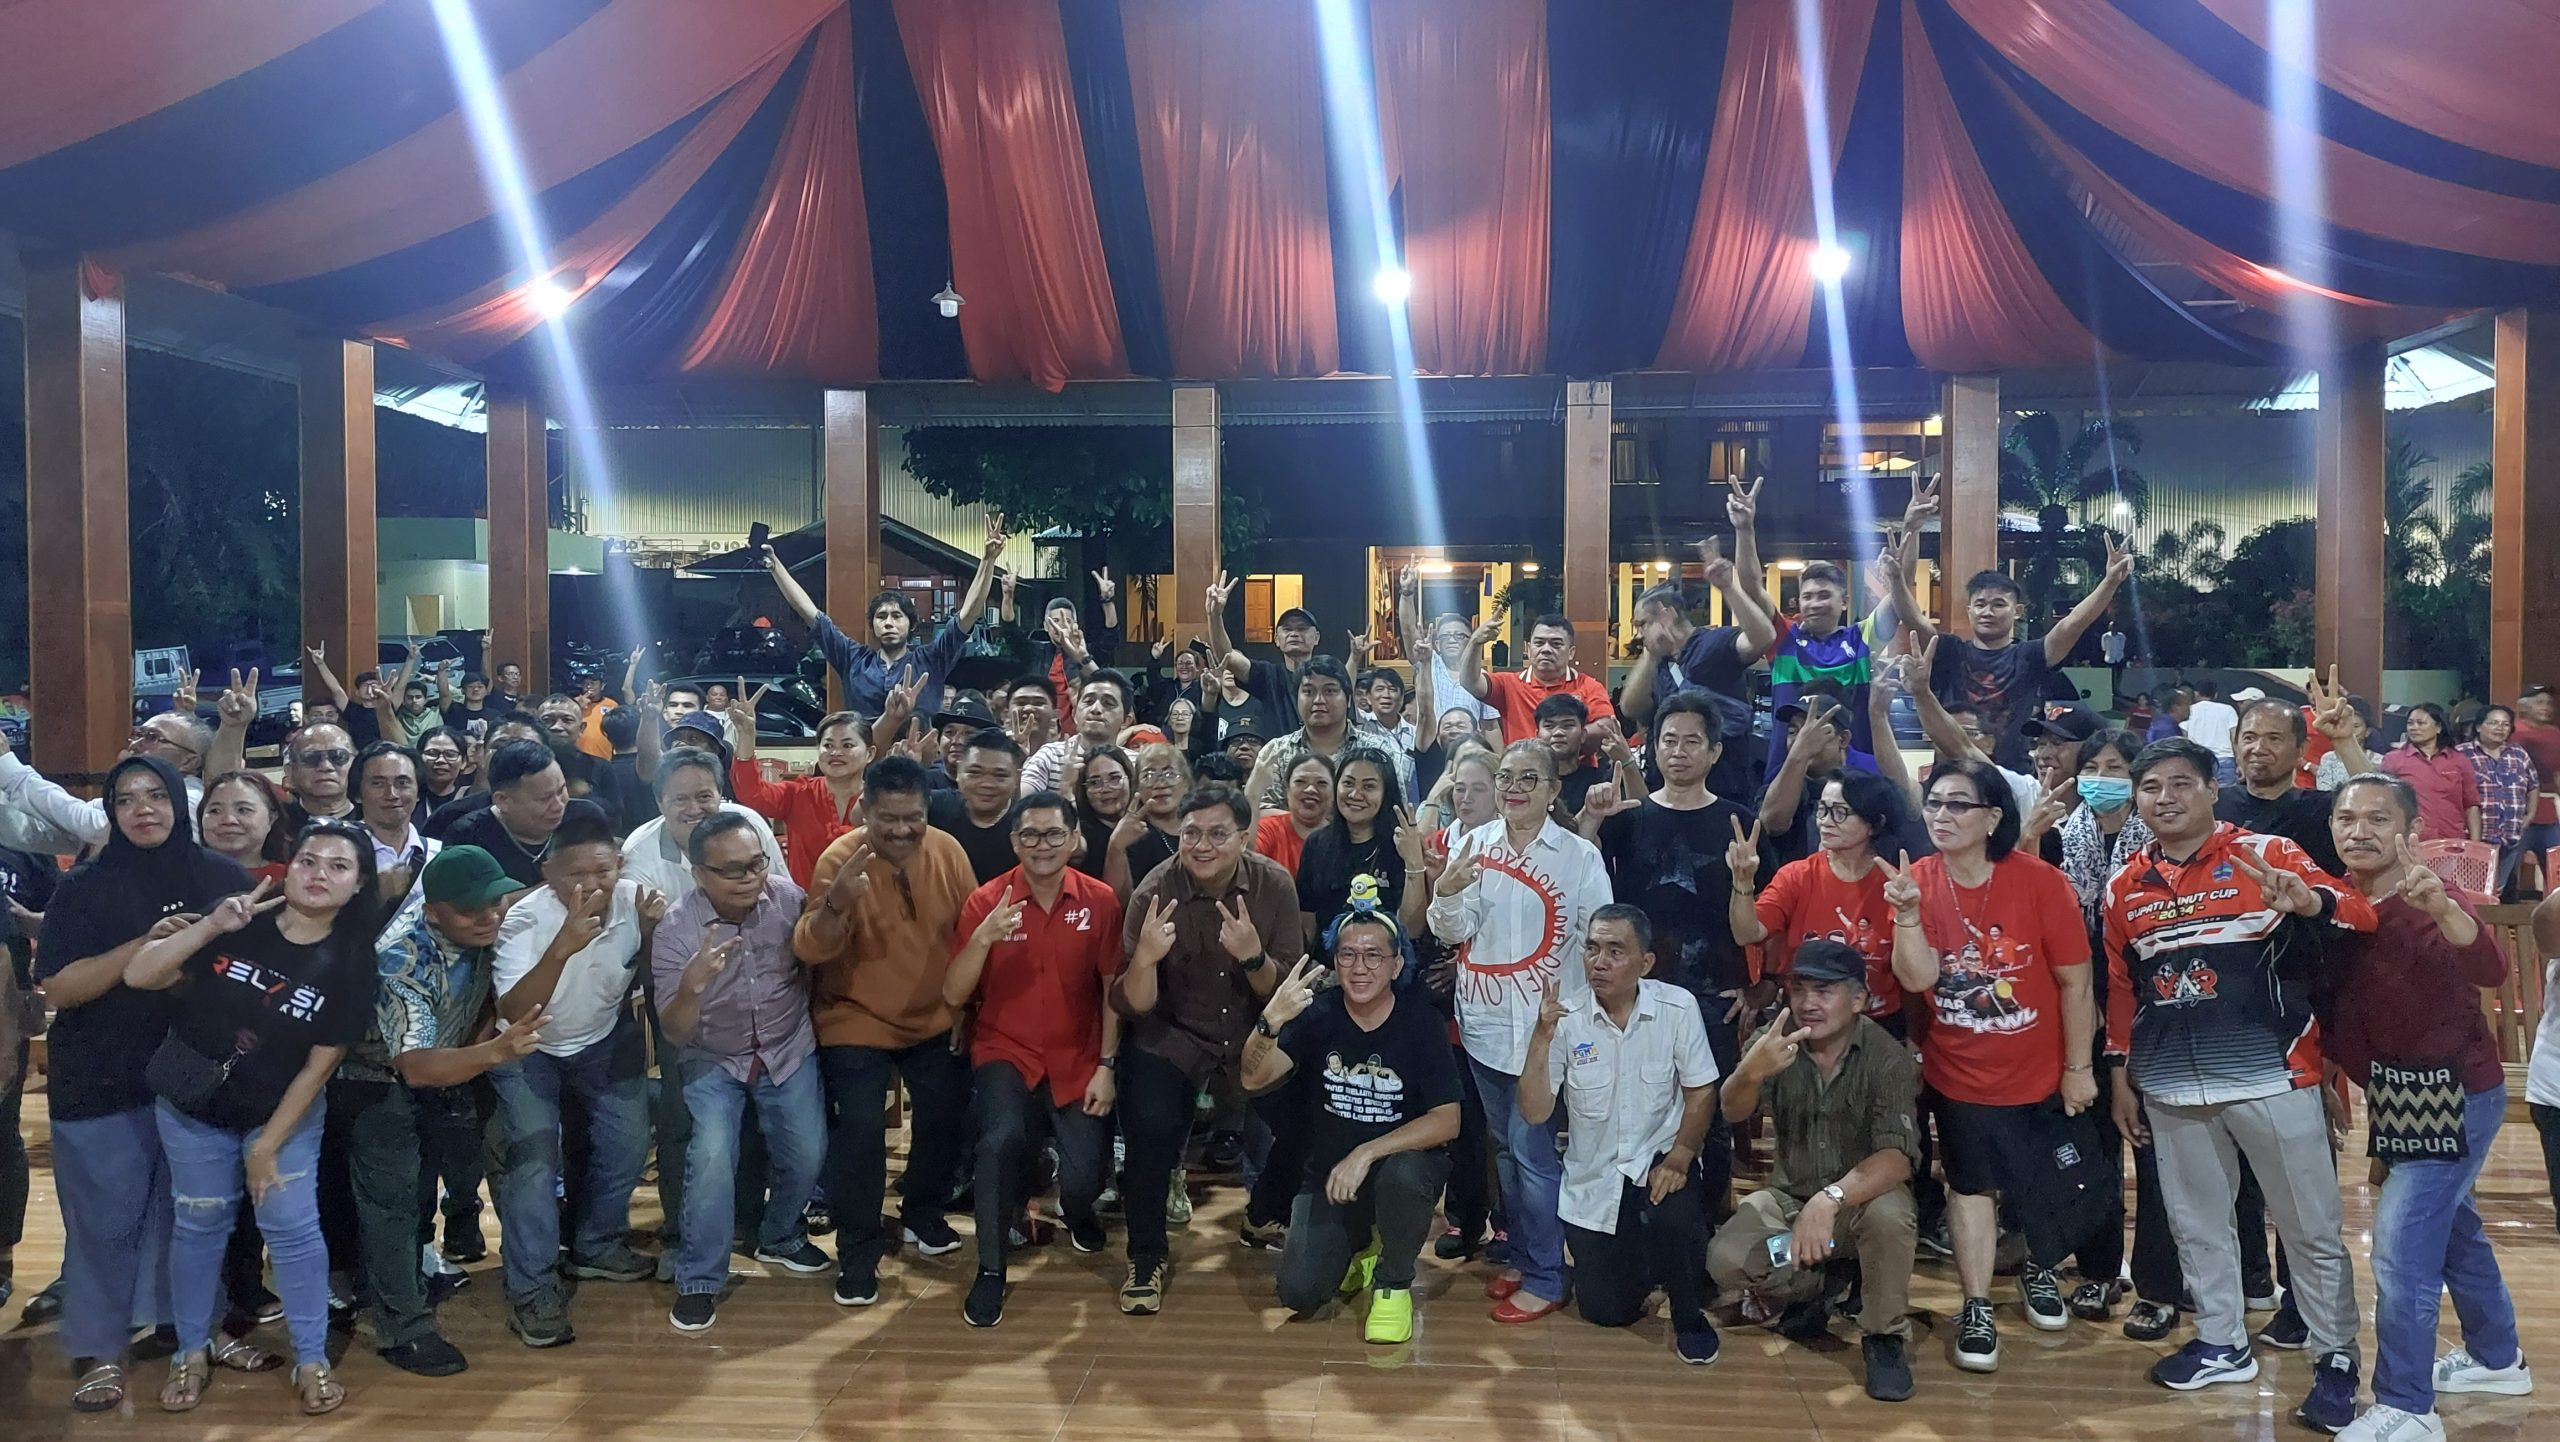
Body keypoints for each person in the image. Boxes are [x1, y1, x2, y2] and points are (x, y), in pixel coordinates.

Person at [2105, 738, 2373, 1429]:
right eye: (2151, 787)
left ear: (2211, 790)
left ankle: (2336, 1357)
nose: (2165, 798)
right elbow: (2121, 986)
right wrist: (2120, 1071)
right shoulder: (2124, 885)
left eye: (2181, 784)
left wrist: (2309, 901)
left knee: (2310, 1228)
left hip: (2273, 1076)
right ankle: (2222, 1341)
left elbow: (2359, 911)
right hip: (2170, 1083)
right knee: (2197, 1225)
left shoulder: (2267, 853)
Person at [125, 820, 386, 1417]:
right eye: (308, 860)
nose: (318, 874)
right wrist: (211, 925)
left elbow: (320, 1066)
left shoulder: (353, 961)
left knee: (292, 1229)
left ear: (357, 884)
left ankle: (311, 1358)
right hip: (195, 1107)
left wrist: (267, 1146)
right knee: (199, 1226)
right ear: (288, 867)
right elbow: (140, 975)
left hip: (282, 1114)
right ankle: (191, 1351)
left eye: (338, 866)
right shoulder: (239, 920)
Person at [32, 756, 250, 1413]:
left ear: (179, 802)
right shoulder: (85, 886)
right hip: (100, 1076)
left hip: (196, 1078)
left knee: (195, 1216)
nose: (143, 809)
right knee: (105, 1222)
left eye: (156, 794)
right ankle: (100, 1350)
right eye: (126, 799)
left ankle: (195, 1331)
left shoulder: (221, 877)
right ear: (111, 812)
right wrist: (144, 946)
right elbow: (61, 987)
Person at [2323, 775, 2530, 1442]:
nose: (2359, 831)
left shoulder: (2430, 894)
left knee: (2401, 1248)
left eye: (2377, 819)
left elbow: (2491, 969)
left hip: (2458, 1092)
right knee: (2454, 1229)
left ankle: (2407, 1406)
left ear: (2410, 831)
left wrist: (2443, 907)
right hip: (2397, 1096)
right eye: (2346, 818)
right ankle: (2497, 1359)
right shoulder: (2335, 900)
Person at [1888, 757, 2096, 1370]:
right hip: (1958, 1071)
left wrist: (2078, 1067)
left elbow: (2076, 982)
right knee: (1969, 1185)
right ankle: (1976, 1303)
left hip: (2039, 1067)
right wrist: (1906, 917)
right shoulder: (1917, 881)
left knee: (2039, 1183)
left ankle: (2038, 1268)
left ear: (1993, 818)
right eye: (1934, 802)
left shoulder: (2040, 882)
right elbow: (1918, 979)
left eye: (1958, 804)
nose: (1941, 815)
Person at [335, 846, 540, 1377]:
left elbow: (478, 1007)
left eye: (494, 902)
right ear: (432, 912)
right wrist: (495, 1050)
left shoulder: (483, 937)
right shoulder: (401, 959)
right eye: (471, 909)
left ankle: (407, 1285)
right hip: (375, 1085)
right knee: (392, 1207)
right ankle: (403, 1330)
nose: (489, 915)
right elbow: (417, 1066)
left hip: (437, 1077)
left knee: (421, 1193)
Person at [1428, 739, 1614, 1323]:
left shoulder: (1579, 857)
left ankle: (1547, 1275)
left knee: (1532, 1153)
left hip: (1547, 1033)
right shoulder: (1472, 843)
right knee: (1507, 1150)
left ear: (1554, 790)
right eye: (1506, 776)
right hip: (1484, 1026)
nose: (1513, 788)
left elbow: (1599, 941)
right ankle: (1527, 1251)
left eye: (1528, 778)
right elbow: (1450, 930)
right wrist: (1446, 891)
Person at [1110, 782, 1303, 1316]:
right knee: (1148, 1130)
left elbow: (1284, 989)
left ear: (1243, 836)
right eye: (1190, 833)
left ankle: (1262, 1215)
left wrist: (1253, 957)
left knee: (1302, 1115)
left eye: (1218, 834)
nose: (1202, 845)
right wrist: (1146, 959)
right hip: (1174, 1033)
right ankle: (1145, 1256)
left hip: (1252, 1031)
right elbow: (1133, 1003)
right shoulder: (1154, 890)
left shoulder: (1273, 885)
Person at [792, 756, 978, 1306]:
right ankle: (857, 1250)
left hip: (934, 1013)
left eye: (913, 817)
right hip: (854, 1017)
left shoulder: (948, 850)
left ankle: (922, 1210)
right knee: (860, 1135)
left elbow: (971, 933)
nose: (901, 830)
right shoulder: (839, 860)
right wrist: (837, 903)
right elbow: (811, 948)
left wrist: (964, 1008)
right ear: (864, 811)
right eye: (888, 818)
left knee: (946, 1115)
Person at [1709, 940, 1920, 1403]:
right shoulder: (1773, 1041)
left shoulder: (1887, 1058)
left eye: (1824, 991)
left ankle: (1883, 1336)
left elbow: (1897, 1158)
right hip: (1790, 1203)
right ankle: (1821, 1283)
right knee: (1729, 1258)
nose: (1808, 1003)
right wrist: (1749, 1073)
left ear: (1858, 999)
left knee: (1890, 1216)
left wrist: (1830, 1200)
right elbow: (1732, 1110)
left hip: (1860, 1203)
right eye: (1799, 989)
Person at [943, 792, 1124, 1328]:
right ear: (1014, 841)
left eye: (1053, 835)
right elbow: (953, 994)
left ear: (1074, 840)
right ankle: (991, 1269)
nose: (1042, 845)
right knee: (999, 1142)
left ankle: (1077, 1211)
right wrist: (982, 939)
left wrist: (1108, 1065)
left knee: (1086, 1177)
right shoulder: (986, 901)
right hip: (1006, 1048)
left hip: (1079, 1054)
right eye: (1030, 835)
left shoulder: (1100, 901)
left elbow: (1112, 989)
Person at [488, 811, 668, 1348]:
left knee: (627, 1142)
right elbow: (512, 1010)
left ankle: (596, 1245)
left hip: (602, 1040)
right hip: (527, 1049)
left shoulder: (636, 901)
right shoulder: (525, 920)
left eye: (604, 870)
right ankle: (532, 1288)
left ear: (619, 865)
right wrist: (562, 946)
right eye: (576, 874)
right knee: (533, 1163)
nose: (593, 884)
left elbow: (650, 973)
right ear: (549, 874)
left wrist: (651, 933)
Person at [1245, 909, 1460, 1346]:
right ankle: (1363, 1243)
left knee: (1403, 1174)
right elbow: (1252, 1078)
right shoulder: (1319, 1014)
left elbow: (1447, 1120)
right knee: (1299, 1292)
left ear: (1396, 965)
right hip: (1330, 1175)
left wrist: (1366, 1153)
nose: (1360, 967)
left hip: (1399, 1169)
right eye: (1348, 955)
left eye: (1373, 955)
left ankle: (1393, 1283)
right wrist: (1270, 1022)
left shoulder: (1420, 1022)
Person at [1519, 905, 1720, 1364]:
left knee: (1674, 1213)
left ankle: (1689, 1316)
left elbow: (1701, 1091)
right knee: (1606, 1311)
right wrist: (1540, 1039)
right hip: (1596, 1180)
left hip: (1659, 1159)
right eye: (1592, 948)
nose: (1599, 962)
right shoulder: (1563, 1017)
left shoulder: (1677, 1007)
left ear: (1645, 963)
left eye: (1615, 951)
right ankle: (1646, 1264)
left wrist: (1680, 1156)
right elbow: (1534, 1112)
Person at [653, 812, 828, 1332]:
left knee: (809, 1151)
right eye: (732, 870)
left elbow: (814, 969)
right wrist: (692, 987)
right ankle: (699, 1279)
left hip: (786, 1046)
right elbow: (675, 1032)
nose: (750, 878)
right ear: (698, 872)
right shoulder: (677, 928)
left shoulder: (789, 900)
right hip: (713, 1055)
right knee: (710, 1158)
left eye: (756, 863)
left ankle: (779, 1235)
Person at [1586, 691, 1760, 1070]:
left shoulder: (1741, 823)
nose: (1679, 751)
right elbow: (1581, 876)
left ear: (1715, 751)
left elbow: (1765, 919)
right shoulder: (1627, 814)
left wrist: (1763, 986)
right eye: (1669, 740)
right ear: (1654, 747)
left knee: (1711, 1100)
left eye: (1692, 741)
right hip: (1634, 991)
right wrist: (1592, 818)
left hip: (1716, 997)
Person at [1725, 475, 1916, 772]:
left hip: (1852, 774)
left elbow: (1899, 596)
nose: (1814, 603)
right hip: (1788, 772)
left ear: (1844, 601)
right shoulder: (1784, 638)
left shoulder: (1861, 638)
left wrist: (1913, 528)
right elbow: (1751, 587)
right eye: (1808, 596)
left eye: (1824, 595)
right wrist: (1744, 528)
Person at [1889, 537, 2132, 770]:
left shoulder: (2030, 656)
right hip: (1951, 771)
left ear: (2017, 611)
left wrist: (2110, 581)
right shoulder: (1950, 652)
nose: (1987, 612)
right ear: (1969, 610)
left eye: (1998, 604)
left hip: (2013, 776)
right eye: (1980, 604)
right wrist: (1896, 579)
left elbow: (2074, 623)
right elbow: (1912, 618)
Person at [762, 514, 1003, 719]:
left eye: (897, 616)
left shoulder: (932, 659)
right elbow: (807, 611)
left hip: (919, 756)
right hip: (867, 755)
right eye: (881, 617)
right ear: (873, 625)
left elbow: (969, 613)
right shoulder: (853, 659)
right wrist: (776, 568)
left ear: (911, 625)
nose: (888, 623)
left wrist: (988, 560)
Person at [1731, 770, 1914, 1032]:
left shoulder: (1896, 885)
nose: (1826, 821)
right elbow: (1747, 933)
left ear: (1875, 823)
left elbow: (1911, 976)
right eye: (1822, 810)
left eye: (1840, 812)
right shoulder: (1797, 876)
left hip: (1878, 1024)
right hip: (1806, 1020)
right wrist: (1742, 882)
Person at [1615, 540, 1777, 797]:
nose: (1639, 633)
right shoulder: (1658, 664)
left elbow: (1763, 638)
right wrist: (1651, 653)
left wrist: (1728, 588)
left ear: (1665, 614)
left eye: (1642, 624)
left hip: (1724, 787)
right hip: (1667, 790)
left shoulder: (1711, 643)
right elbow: (1630, 708)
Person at [0, 706, 211, 855]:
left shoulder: (192, 800)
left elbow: (93, 826)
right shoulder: (113, 801)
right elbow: (33, 835)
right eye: (137, 734)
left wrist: (11, 769)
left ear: (188, 762)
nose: (136, 744)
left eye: (152, 737)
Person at [2222, 683, 2369, 878]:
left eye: (2274, 739)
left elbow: (2377, 802)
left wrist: (2345, 741)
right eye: (2249, 738)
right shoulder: (2212, 805)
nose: (2258, 748)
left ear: (2302, 749)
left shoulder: (2324, 808)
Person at [437, 739, 614, 891]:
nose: (559, 805)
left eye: (561, 791)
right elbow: (471, 908)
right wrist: (556, 886)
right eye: (544, 798)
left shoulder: (585, 818)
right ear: (503, 800)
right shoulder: (467, 836)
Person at [730, 698, 870, 889]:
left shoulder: (879, 801)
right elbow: (751, 793)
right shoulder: (798, 793)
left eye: (847, 745)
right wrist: (747, 735)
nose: (836, 752)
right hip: (806, 904)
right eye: (828, 745)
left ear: (870, 753)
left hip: (868, 903)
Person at [1249, 656, 1417, 809]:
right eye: (1309, 692)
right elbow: (1259, 813)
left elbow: (1396, 812)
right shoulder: (1276, 752)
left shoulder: (1379, 750)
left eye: (1329, 691)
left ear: (1349, 700)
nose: (1318, 700)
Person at [1206, 570, 1320, 734]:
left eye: (1302, 628)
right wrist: (1214, 616)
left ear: (1316, 638)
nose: (1294, 634)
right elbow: (1228, 656)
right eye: (1287, 629)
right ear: (1276, 639)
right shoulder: (1268, 675)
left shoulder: (1326, 675)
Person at [930, 729, 1025, 885]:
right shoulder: (935, 807)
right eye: (975, 773)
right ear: (959, 772)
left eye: (1000, 776)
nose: (986, 784)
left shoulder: (1027, 824)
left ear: (1017, 778)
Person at [2460, 704, 2537, 896]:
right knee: (2473, 891)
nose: (2499, 728)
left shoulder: (2518, 753)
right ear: (2479, 726)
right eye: (2493, 723)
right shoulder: (2462, 753)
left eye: (2505, 724)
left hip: (2511, 835)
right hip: (2476, 836)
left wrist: (2530, 814)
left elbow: (2533, 784)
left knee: (2497, 892)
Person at [2380, 703, 2482, 844]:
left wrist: (2475, 844)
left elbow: (2471, 805)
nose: (2414, 727)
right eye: (2410, 723)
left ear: (2438, 727)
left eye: (2421, 723)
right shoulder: (2393, 760)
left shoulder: (2459, 760)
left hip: (2452, 841)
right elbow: (2383, 802)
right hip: (2410, 842)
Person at [352, 742, 438, 910]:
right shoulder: (335, 855)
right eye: (378, 783)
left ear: (418, 792)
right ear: (357, 794)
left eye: (402, 783)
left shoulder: (437, 855)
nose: (391, 794)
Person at [1021, 671, 1132, 797]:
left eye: (1108, 703)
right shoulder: (1050, 756)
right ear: (1074, 714)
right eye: (1088, 701)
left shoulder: (1135, 763)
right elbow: (1019, 802)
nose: (1095, 709)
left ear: (1126, 720)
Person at [1105, 741, 1189, 900]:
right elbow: (1118, 902)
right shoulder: (1130, 835)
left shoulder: (1201, 827)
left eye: (1170, 774)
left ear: (1186, 783)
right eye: (1148, 776)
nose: (1160, 784)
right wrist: (1116, 847)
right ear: (1137, 787)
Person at [1254, 751, 1336, 877]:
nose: (1310, 789)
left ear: (1334, 792)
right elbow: (1244, 862)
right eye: (1300, 781)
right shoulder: (1268, 828)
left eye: (1321, 783)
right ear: (1287, 790)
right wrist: (1252, 793)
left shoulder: (1343, 837)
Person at [198, 770, 292, 878]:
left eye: (243, 810)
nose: (228, 820)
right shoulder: (184, 874)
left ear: (271, 818)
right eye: (215, 811)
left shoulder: (291, 878)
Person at [1070, 744, 1135, 879]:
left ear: (1129, 778)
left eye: (1114, 778)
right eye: (1094, 782)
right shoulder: (1081, 833)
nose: (1105, 789)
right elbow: (1075, 849)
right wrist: (1066, 790)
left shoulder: (1147, 826)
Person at [2183, 680, 2241, 785]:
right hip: (2225, 760)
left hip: (2199, 761)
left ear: (2195, 694)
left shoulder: (2188, 711)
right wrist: (2240, 762)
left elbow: (2184, 738)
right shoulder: (2228, 709)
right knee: (2228, 794)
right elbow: (2235, 738)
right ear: (2216, 694)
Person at [415, 728, 472, 817]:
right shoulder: (408, 798)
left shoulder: (469, 798)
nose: (440, 760)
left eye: (450, 754)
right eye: (432, 753)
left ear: (464, 762)